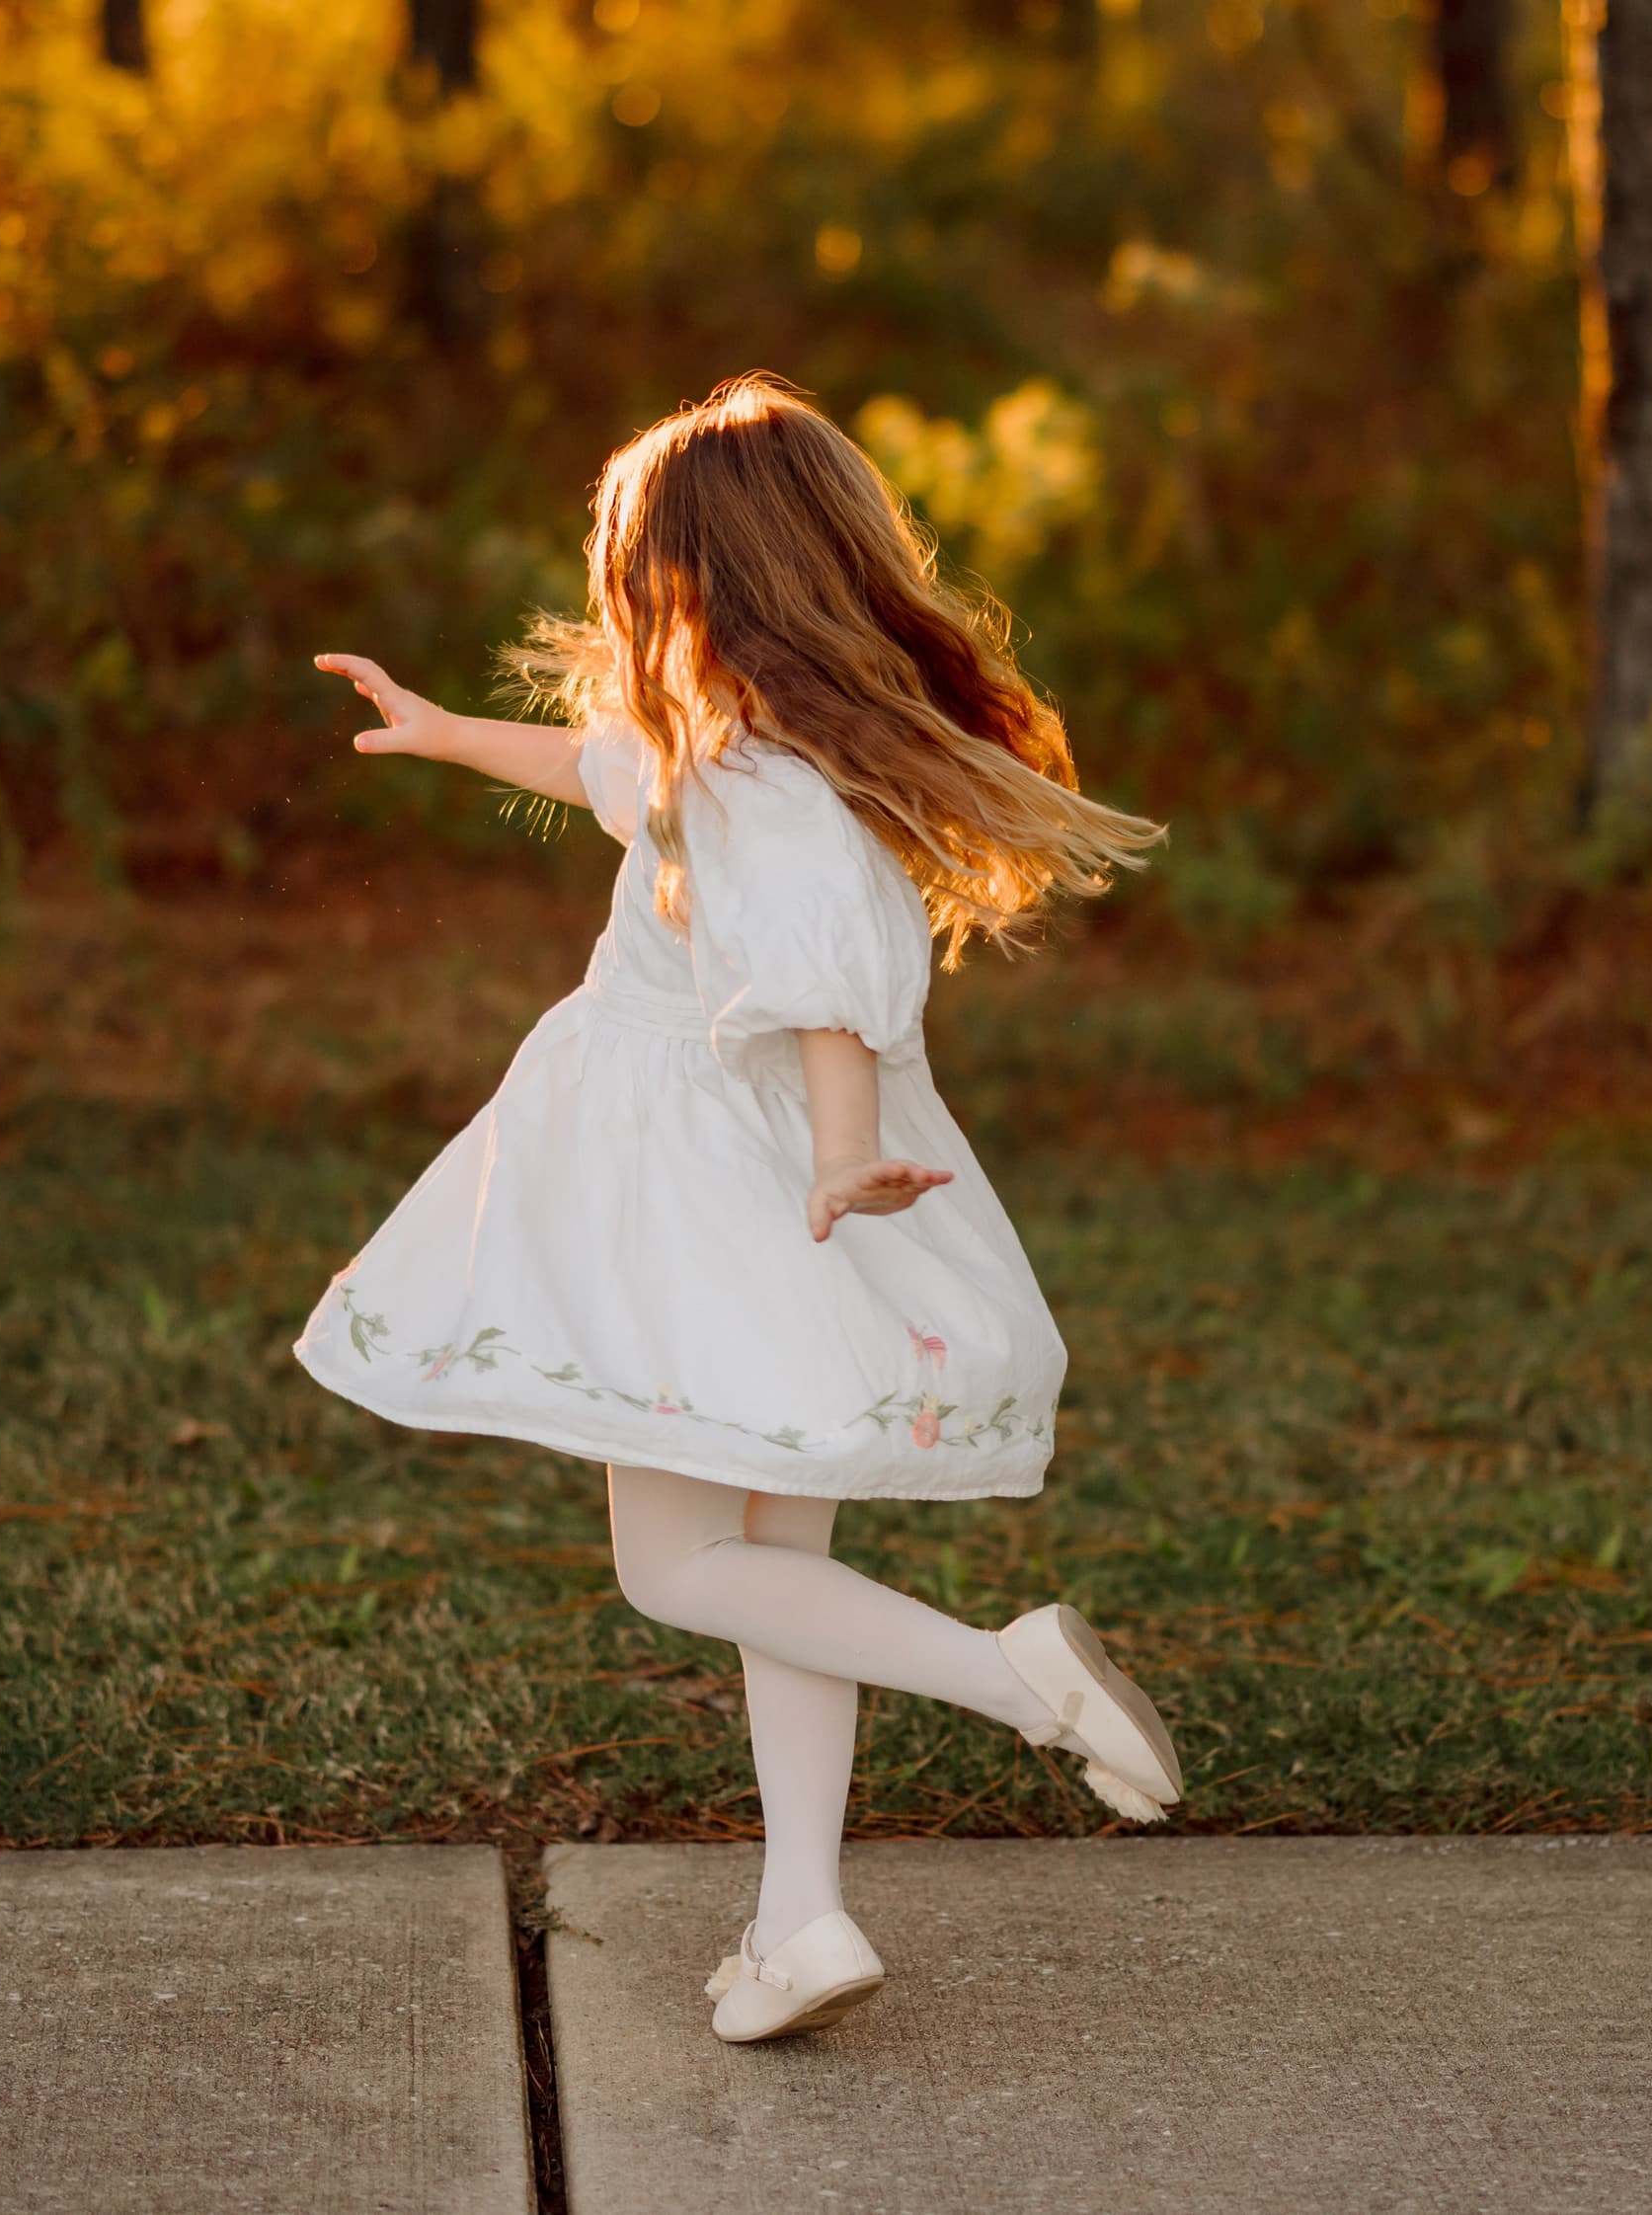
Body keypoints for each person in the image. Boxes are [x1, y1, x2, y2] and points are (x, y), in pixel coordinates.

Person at [290, 372, 1182, 2045]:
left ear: (686, 577)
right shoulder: (743, 749)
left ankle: (1016, 1680)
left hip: (707, 1189)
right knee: (777, 1560)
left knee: (677, 1566)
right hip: (749, 1178)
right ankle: (802, 1917)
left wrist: (843, 1147)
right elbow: (596, 762)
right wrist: (442, 733)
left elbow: (824, 992)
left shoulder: (761, 796)